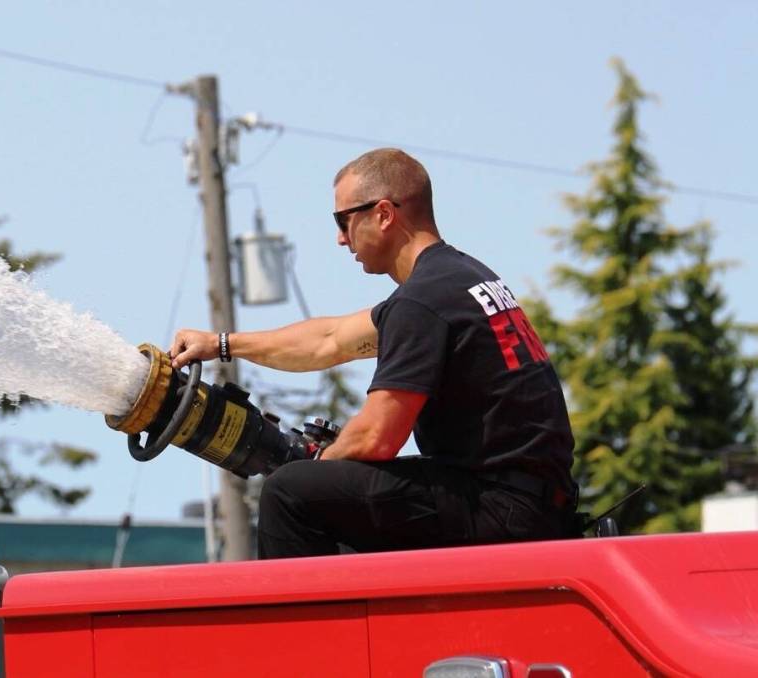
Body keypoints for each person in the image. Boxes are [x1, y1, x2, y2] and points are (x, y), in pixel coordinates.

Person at [169, 148, 578, 559]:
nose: (340, 238)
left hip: (498, 507)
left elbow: (376, 438)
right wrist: (221, 344)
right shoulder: (459, 278)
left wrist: (316, 462)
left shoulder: (422, 302)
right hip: (528, 502)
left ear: (383, 214)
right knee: (333, 493)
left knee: (288, 492)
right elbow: (330, 339)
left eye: (343, 220)